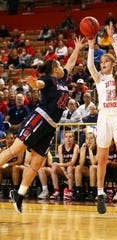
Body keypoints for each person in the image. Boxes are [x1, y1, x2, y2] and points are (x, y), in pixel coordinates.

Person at [0, 36, 84, 213]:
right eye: (59, 66)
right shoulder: (48, 79)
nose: (63, 68)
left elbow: (70, 63)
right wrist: (32, 83)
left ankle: (19, 195)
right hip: (40, 119)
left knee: (37, 163)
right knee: (14, 151)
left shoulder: (62, 80)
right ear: (54, 69)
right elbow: (38, 84)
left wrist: (77, 48)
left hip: (51, 126)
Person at [87, 22, 117, 214]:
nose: (102, 65)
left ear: (112, 64)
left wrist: (113, 40)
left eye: (105, 63)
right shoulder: (99, 79)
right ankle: (100, 195)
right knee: (102, 159)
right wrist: (90, 46)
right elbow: (90, 65)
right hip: (104, 118)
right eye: (101, 63)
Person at [49, 131, 79, 200]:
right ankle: (56, 191)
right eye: (66, 137)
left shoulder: (76, 147)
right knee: (54, 167)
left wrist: (59, 164)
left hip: (74, 169)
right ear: (64, 138)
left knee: (69, 168)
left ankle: (70, 191)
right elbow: (61, 161)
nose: (68, 138)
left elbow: (72, 163)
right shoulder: (60, 147)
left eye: (70, 137)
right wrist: (65, 173)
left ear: (73, 138)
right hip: (64, 169)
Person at [74, 132, 97, 201]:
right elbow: (81, 163)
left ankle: (92, 192)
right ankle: (79, 191)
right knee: (78, 167)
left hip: (99, 171)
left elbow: (94, 162)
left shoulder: (98, 148)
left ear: (95, 140)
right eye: (87, 138)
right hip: (89, 170)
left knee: (92, 167)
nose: (89, 140)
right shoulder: (83, 148)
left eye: (91, 138)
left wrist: (90, 150)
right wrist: (83, 151)